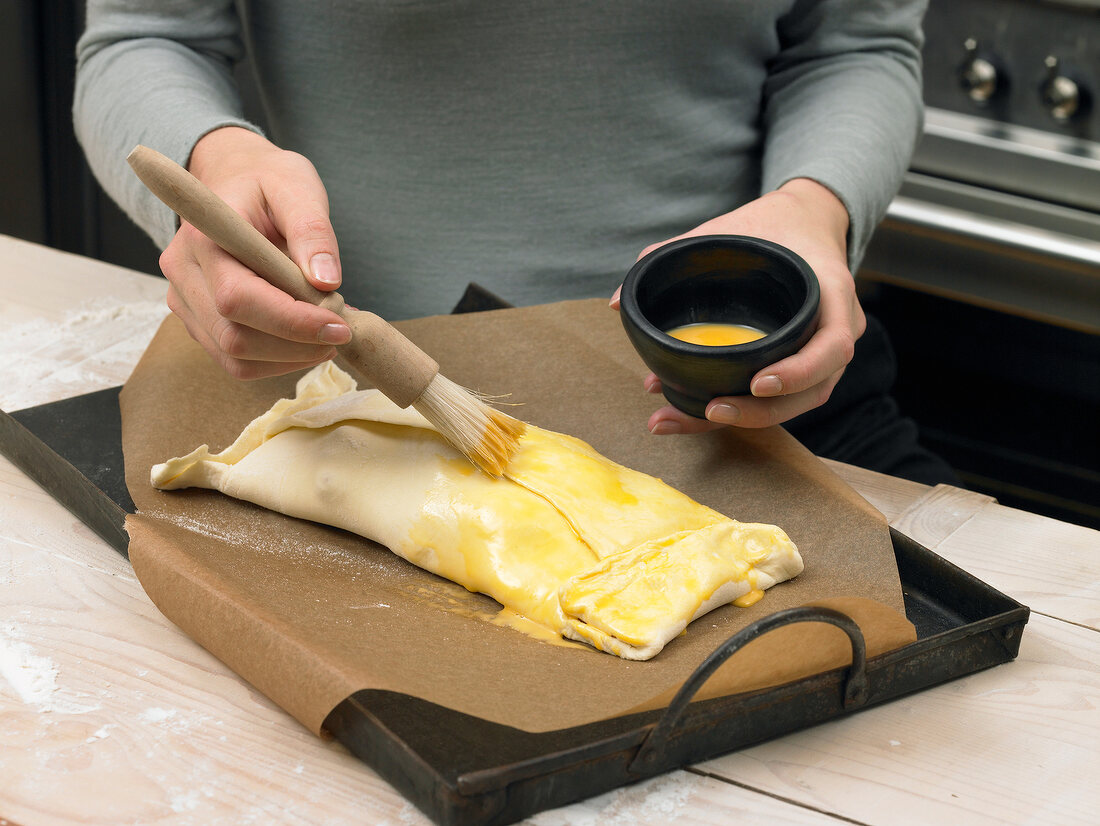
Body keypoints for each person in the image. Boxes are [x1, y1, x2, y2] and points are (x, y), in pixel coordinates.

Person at [73, 0, 956, 484]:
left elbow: (855, 45)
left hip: (752, 400)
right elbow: (143, 36)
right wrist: (216, 159)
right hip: (359, 408)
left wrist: (817, 202)